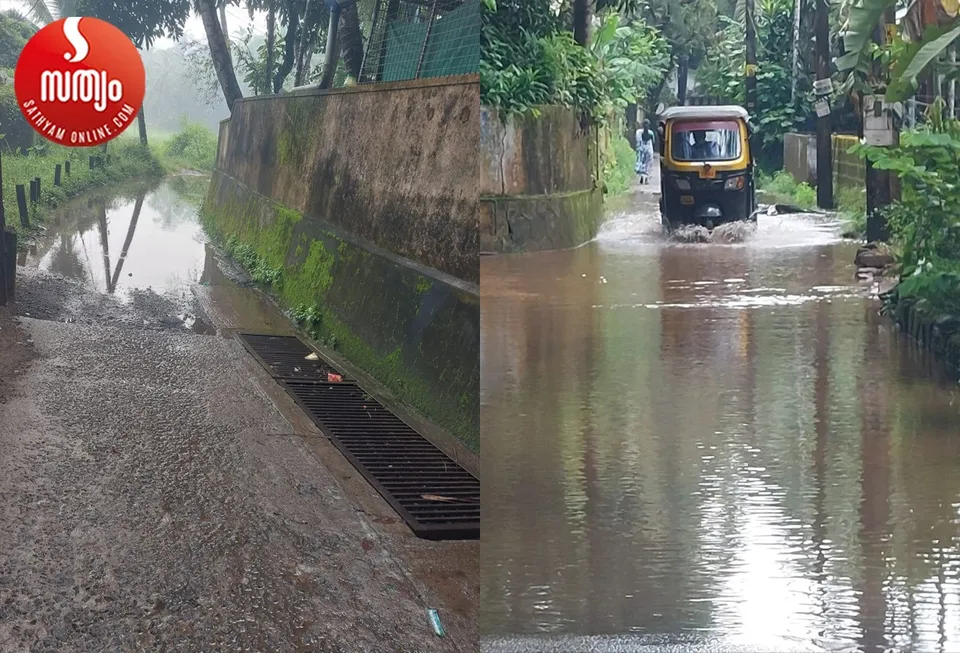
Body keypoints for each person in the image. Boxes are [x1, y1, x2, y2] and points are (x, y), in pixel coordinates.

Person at [635, 119, 656, 184]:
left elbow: (638, 141)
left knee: (642, 163)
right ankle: (646, 178)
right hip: (649, 148)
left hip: (642, 148)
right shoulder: (651, 133)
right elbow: (653, 141)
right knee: (648, 164)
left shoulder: (639, 132)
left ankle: (642, 177)